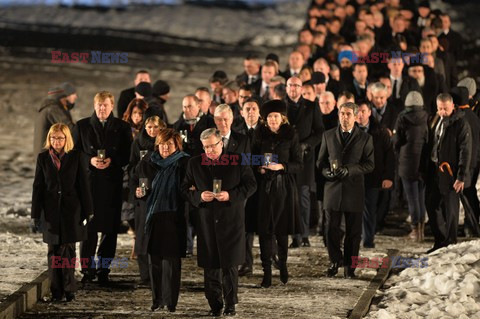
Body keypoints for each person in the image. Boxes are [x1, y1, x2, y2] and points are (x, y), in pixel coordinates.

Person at [181, 128, 256, 317]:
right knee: (210, 266)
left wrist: (231, 195)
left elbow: (251, 185)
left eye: (212, 147)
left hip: (231, 219)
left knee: (230, 266)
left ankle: (230, 303)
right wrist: (198, 196)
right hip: (206, 222)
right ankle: (214, 303)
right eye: (205, 147)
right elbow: (183, 189)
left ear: (221, 143)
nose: (209, 151)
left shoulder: (238, 160)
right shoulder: (194, 163)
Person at [73, 91, 132, 284]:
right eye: (99, 105)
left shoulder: (122, 127)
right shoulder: (81, 126)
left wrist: (112, 161)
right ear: (94, 105)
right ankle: (87, 270)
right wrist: (89, 160)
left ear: (112, 106)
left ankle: (104, 269)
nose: (102, 109)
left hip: (111, 184)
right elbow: (74, 153)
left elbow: (127, 154)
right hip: (89, 184)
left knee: (110, 230)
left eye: (105, 105)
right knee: (88, 229)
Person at [31, 123, 93, 302]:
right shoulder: (43, 158)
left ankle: (69, 288)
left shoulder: (76, 157)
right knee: (53, 252)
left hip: (71, 212)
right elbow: (38, 187)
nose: (56, 141)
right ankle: (56, 290)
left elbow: (83, 185)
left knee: (68, 251)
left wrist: (88, 211)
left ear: (66, 139)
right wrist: (35, 214)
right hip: (50, 213)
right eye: (53, 137)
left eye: (59, 138)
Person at [132, 128, 189, 313]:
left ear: (177, 145)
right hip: (153, 216)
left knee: (171, 263)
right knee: (154, 262)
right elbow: (137, 185)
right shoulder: (147, 162)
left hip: (174, 216)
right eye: (162, 144)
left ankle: (171, 302)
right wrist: (138, 193)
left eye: (169, 144)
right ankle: (156, 300)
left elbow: (187, 189)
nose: (165, 148)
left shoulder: (184, 162)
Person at [317, 102, 374, 279]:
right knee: (330, 229)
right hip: (332, 189)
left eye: (348, 114)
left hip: (354, 189)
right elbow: (320, 162)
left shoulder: (365, 138)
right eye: (342, 113)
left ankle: (350, 267)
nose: (344, 117)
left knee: (353, 232)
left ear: (356, 116)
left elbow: (370, 164)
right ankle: (335, 260)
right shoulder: (328, 135)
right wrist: (326, 172)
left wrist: (350, 170)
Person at [252, 99, 303, 288]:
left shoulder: (291, 135)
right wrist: (260, 167)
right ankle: (266, 272)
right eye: (269, 117)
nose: (272, 120)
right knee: (265, 231)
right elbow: (252, 157)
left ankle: (283, 265)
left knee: (281, 230)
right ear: (265, 119)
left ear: (282, 118)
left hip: (284, 187)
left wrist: (282, 166)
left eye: (276, 116)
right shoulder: (260, 134)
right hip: (265, 187)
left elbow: (299, 163)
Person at [426, 93, 472, 253]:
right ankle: (440, 239)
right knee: (431, 204)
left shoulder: (461, 123)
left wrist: (461, 177)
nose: (442, 112)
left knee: (451, 208)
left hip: (451, 171)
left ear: (453, 106)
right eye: (440, 109)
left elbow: (465, 151)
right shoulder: (435, 118)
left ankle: (450, 242)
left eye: (445, 108)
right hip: (435, 169)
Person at [285, 76, 324, 248]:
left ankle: (304, 234)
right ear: (286, 88)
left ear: (302, 88)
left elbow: (320, 131)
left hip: (305, 159)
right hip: (285, 159)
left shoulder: (312, 106)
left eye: (296, 85)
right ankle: (294, 236)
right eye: (290, 85)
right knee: (289, 199)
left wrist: (307, 144)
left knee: (303, 198)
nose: (293, 88)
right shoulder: (279, 106)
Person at [128, 116, 166, 283]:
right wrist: (135, 190)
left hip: (161, 196)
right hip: (142, 194)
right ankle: (145, 275)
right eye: (149, 127)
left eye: (155, 127)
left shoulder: (165, 143)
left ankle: (159, 272)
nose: (152, 130)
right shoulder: (138, 143)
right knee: (142, 236)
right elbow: (131, 167)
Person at [356, 101, 394, 248]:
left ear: (369, 112)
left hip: (373, 177)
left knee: (370, 209)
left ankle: (368, 240)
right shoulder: (349, 130)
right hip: (354, 177)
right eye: (357, 112)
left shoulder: (380, 131)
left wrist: (388, 176)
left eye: (363, 111)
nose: (360, 115)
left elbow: (389, 156)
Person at [393, 91, 428, 242]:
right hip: (422, 161)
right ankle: (421, 230)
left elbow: (397, 140)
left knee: (411, 197)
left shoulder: (402, 117)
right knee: (420, 196)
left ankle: (415, 229)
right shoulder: (426, 117)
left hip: (407, 162)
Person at [33, 82, 77, 156]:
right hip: (49, 158)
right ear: (61, 98)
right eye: (73, 94)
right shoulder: (53, 109)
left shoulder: (47, 109)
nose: (76, 96)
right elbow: (71, 130)